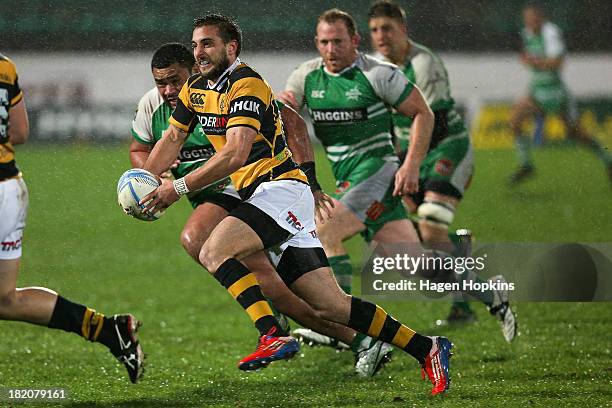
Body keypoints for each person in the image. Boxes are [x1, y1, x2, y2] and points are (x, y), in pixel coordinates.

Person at [142, 14, 452, 395]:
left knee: (213, 249)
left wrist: (177, 189)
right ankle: (428, 348)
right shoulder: (197, 89)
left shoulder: (247, 85)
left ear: (231, 48)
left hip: (281, 188)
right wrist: (145, 182)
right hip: (267, 196)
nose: (199, 52)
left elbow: (237, 153)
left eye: (207, 44)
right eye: (195, 45)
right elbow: (172, 138)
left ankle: (271, 333)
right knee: (333, 307)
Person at [130, 42, 392, 377]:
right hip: (217, 195)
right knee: (282, 289)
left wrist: (310, 179)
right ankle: (358, 340)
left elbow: (293, 124)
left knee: (196, 237)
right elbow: (140, 148)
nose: (168, 90)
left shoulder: (232, 90)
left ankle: (273, 326)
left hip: (248, 190)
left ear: (196, 71)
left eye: (175, 81)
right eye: (161, 83)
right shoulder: (154, 106)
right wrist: (148, 180)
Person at [279, 8, 516, 344]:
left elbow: (423, 113)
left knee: (324, 230)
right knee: (415, 265)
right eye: (324, 42)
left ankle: (341, 330)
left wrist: (411, 165)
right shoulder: (306, 76)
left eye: (338, 42)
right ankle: (489, 292)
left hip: (379, 174)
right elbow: (286, 111)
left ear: (355, 41)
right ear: (316, 43)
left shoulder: (379, 74)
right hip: (351, 181)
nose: (331, 49)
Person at [0, 53, 144, 383]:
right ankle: (109, 330)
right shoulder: (4, 67)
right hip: (9, 188)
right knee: (5, 299)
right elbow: (20, 131)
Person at [367, 0, 492, 327]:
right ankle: (462, 276)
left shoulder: (424, 63)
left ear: (403, 30)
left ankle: (473, 300)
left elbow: (431, 122)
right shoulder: (375, 68)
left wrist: (408, 171)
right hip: (411, 157)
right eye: (375, 30)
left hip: (447, 147)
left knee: (431, 224)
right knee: (417, 241)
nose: (381, 36)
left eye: (387, 29)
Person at [509, 4, 612, 184]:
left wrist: (534, 62)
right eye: (526, 19)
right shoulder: (526, 33)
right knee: (514, 121)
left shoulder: (551, 33)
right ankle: (526, 164)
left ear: (540, 17)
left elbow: (557, 62)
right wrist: (528, 60)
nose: (529, 22)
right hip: (537, 90)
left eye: (532, 18)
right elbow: (529, 57)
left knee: (576, 133)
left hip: (555, 91)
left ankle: (608, 159)